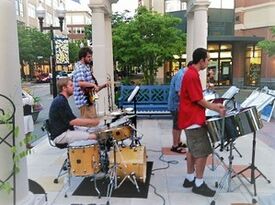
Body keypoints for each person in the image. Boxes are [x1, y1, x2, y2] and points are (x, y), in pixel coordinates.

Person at [178, 48, 225, 197]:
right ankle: (198, 183)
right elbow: (197, 99)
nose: (208, 62)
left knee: (192, 150)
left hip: (190, 118)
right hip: (193, 120)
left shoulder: (191, 73)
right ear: (201, 60)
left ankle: (190, 178)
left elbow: (195, 97)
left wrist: (211, 105)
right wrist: (215, 108)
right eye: (208, 59)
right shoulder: (192, 75)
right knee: (203, 151)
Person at [49, 78, 100, 145]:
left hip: (66, 130)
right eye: (71, 85)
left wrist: (89, 124)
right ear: (64, 88)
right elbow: (72, 121)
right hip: (60, 135)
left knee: (91, 130)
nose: (74, 87)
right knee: (93, 136)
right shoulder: (60, 101)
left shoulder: (61, 99)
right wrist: (93, 122)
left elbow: (71, 120)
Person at [72, 47, 108, 118]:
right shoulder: (80, 68)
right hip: (84, 103)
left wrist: (103, 86)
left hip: (90, 100)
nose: (90, 58)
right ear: (82, 57)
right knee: (89, 126)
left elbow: (91, 89)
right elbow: (80, 83)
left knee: (93, 125)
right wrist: (93, 85)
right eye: (88, 57)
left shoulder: (86, 68)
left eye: (91, 57)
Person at [167, 61, 192, 153]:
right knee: (177, 125)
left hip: (177, 104)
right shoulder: (181, 76)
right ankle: (175, 145)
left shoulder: (182, 73)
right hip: (175, 105)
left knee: (179, 124)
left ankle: (178, 142)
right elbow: (180, 92)